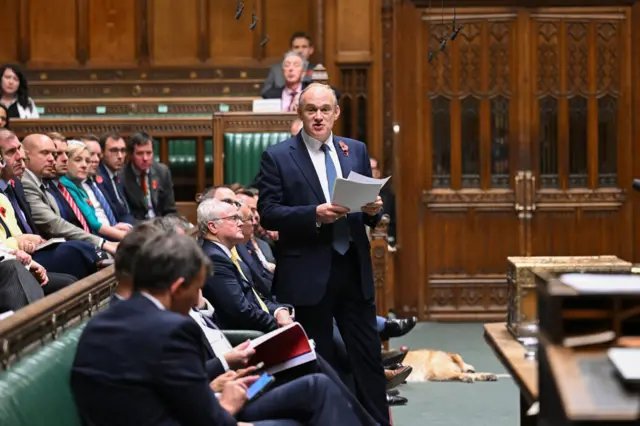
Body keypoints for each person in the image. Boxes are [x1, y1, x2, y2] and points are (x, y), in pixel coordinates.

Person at [71, 232, 370, 426]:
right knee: (308, 401)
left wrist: (218, 386)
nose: (199, 300)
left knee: (314, 386)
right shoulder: (171, 329)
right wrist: (228, 402)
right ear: (178, 287)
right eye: (198, 290)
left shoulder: (101, 322)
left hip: (191, 404)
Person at [257, 83, 390, 425]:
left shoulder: (354, 150)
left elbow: (367, 208)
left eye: (325, 109)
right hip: (309, 273)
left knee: (368, 359)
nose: (318, 116)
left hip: (353, 269)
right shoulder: (278, 156)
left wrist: (374, 210)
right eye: (311, 109)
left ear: (336, 113)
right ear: (299, 113)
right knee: (322, 363)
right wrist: (314, 214)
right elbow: (269, 212)